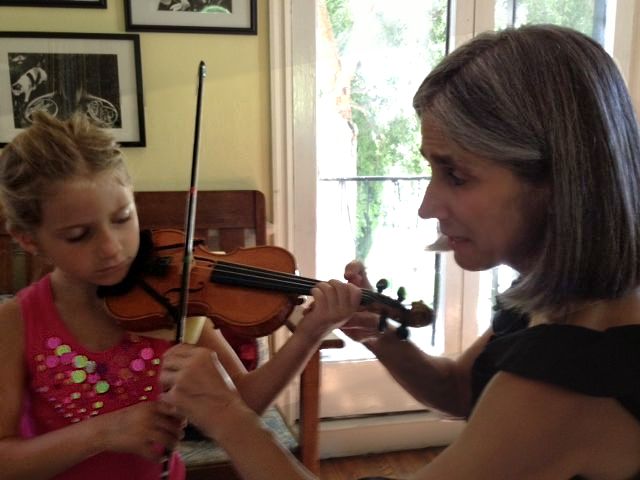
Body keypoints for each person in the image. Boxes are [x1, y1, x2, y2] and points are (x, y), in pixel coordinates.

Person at [158, 24, 640, 480]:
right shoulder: (553, 302)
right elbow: (459, 388)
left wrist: (227, 415)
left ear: (559, 179)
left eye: (456, 175)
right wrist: (385, 338)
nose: (428, 206)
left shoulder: (573, 376)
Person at [0, 111, 361, 479]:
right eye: (79, 235)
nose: (111, 248)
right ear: (28, 240)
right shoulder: (16, 322)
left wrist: (309, 333)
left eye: (123, 218)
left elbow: (244, 404)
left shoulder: (169, 295)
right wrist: (104, 432)